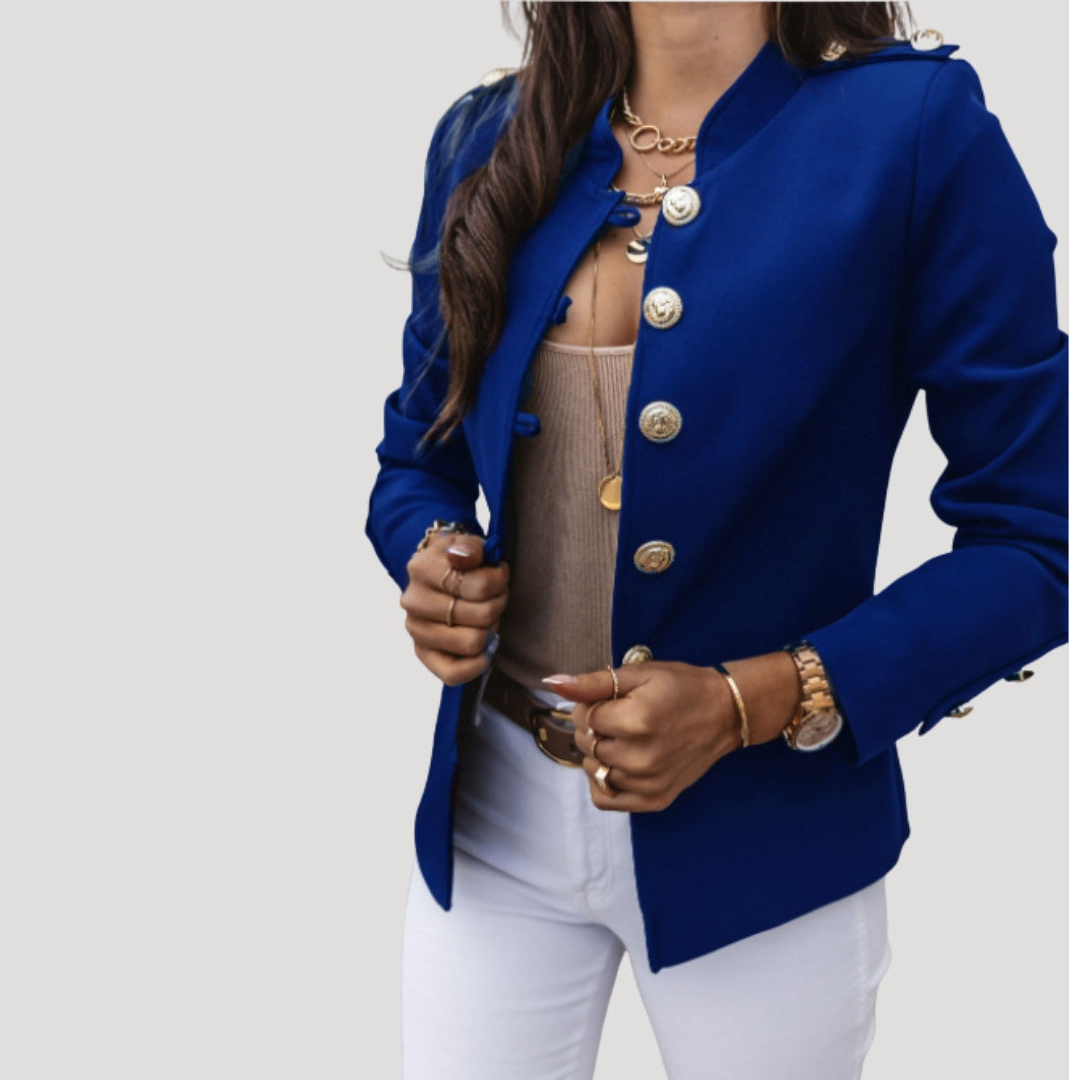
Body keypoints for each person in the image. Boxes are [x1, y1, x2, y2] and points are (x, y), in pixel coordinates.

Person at [364, 3, 1068, 1077]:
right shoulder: (489, 134)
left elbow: (1038, 535)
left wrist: (758, 698)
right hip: (491, 820)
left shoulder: (917, 130)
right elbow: (418, 457)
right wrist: (435, 556)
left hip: (768, 850)